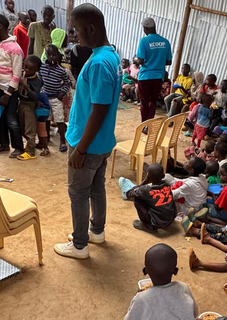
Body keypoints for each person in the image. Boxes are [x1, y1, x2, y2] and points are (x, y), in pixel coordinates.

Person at [54, 3, 122, 259]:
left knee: (79, 192)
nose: (74, 36)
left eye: (76, 30)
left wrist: (80, 149)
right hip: (102, 143)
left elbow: (99, 110)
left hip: (89, 144)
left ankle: (80, 245)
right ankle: (97, 231)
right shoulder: (110, 55)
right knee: (96, 188)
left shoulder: (98, 63)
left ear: (91, 28)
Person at [124, 244, 198, 320]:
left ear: (145, 271)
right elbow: (194, 312)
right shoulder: (183, 288)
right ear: (175, 271)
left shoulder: (140, 299)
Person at [119, 163, 177, 232]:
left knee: (138, 198)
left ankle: (147, 226)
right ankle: (163, 219)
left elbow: (132, 192)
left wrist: (145, 181)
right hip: (170, 219)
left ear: (148, 176)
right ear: (163, 176)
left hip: (157, 223)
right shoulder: (167, 185)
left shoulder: (146, 190)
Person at [136, 17, 172, 122]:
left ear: (146, 28)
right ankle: (149, 123)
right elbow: (168, 62)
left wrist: (136, 60)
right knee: (153, 101)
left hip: (145, 76)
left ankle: (143, 123)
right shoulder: (166, 42)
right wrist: (158, 61)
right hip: (158, 77)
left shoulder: (144, 41)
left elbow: (141, 60)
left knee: (144, 102)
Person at [39, 44, 70, 152]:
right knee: (46, 118)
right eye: (49, 55)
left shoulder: (61, 70)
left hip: (56, 98)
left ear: (58, 55)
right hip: (44, 98)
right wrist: (40, 92)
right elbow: (39, 80)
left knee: (59, 119)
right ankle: (46, 137)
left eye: (54, 55)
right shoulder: (41, 67)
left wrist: (62, 93)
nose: (52, 57)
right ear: (46, 55)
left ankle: (62, 141)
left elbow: (67, 83)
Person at [0, 14, 23, 158]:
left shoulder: (15, 48)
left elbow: (17, 75)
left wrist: (8, 94)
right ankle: (3, 144)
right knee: (1, 118)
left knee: (11, 119)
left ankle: (19, 147)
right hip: (0, 88)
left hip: (9, 91)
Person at [16, 55, 42, 160]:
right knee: (22, 128)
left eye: (30, 69)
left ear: (37, 70)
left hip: (30, 105)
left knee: (30, 129)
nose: (26, 70)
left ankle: (31, 151)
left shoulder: (37, 80)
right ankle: (28, 146)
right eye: (25, 67)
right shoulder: (22, 74)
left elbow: (35, 96)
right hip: (21, 103)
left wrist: (26, 85)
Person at [35, 92, 50, 156]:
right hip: (37, 114)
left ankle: (45, 148)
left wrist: (41, 105)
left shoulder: (42, 94)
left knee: (42, 131)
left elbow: (47, 106)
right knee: (38, 130)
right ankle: (40, 143)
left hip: (42, 114)